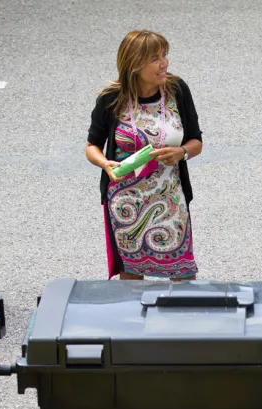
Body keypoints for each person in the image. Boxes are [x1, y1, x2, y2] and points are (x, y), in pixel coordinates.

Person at [86, 30, 203, 280]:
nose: (165, 63)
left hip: (171, 200)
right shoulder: (111, 98)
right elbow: (91, 146)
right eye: (156, 58)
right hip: (126, 204)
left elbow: (196, 141)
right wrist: (105, 163)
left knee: (183, 275)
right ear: (135, 65)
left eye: (164, 55)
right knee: (131, 279)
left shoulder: (176, 90)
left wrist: (181, 152)